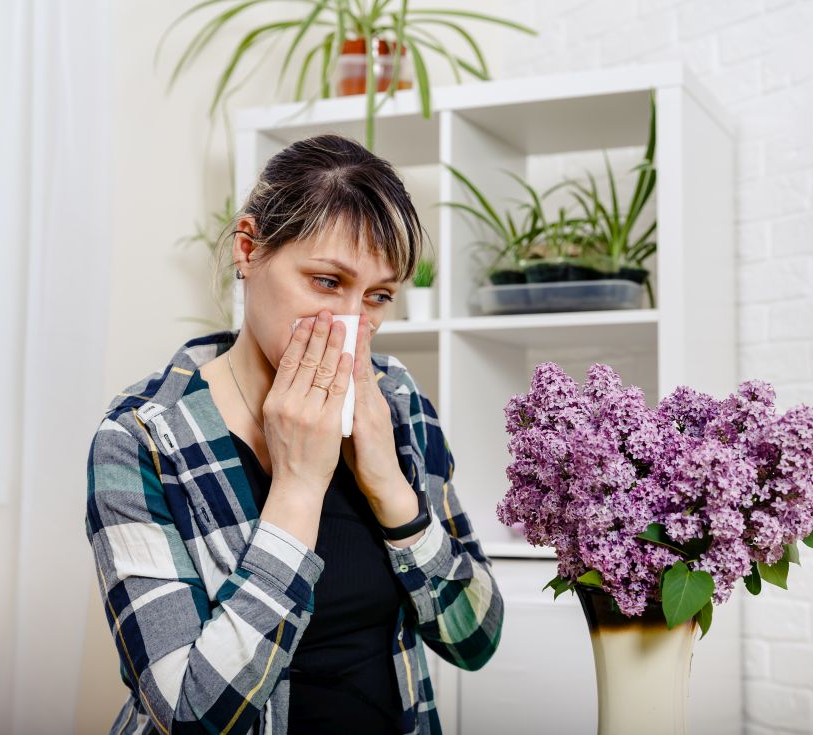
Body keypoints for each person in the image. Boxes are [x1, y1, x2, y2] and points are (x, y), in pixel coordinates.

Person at [84, 133, 504, 735]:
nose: (352, 325)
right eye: (328, 282)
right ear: (249, 250)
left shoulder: (398, 402)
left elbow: (476, 640)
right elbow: (188, 715)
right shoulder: (142, 437)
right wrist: (299, 490)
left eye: (378, 296)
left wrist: (390, 488)